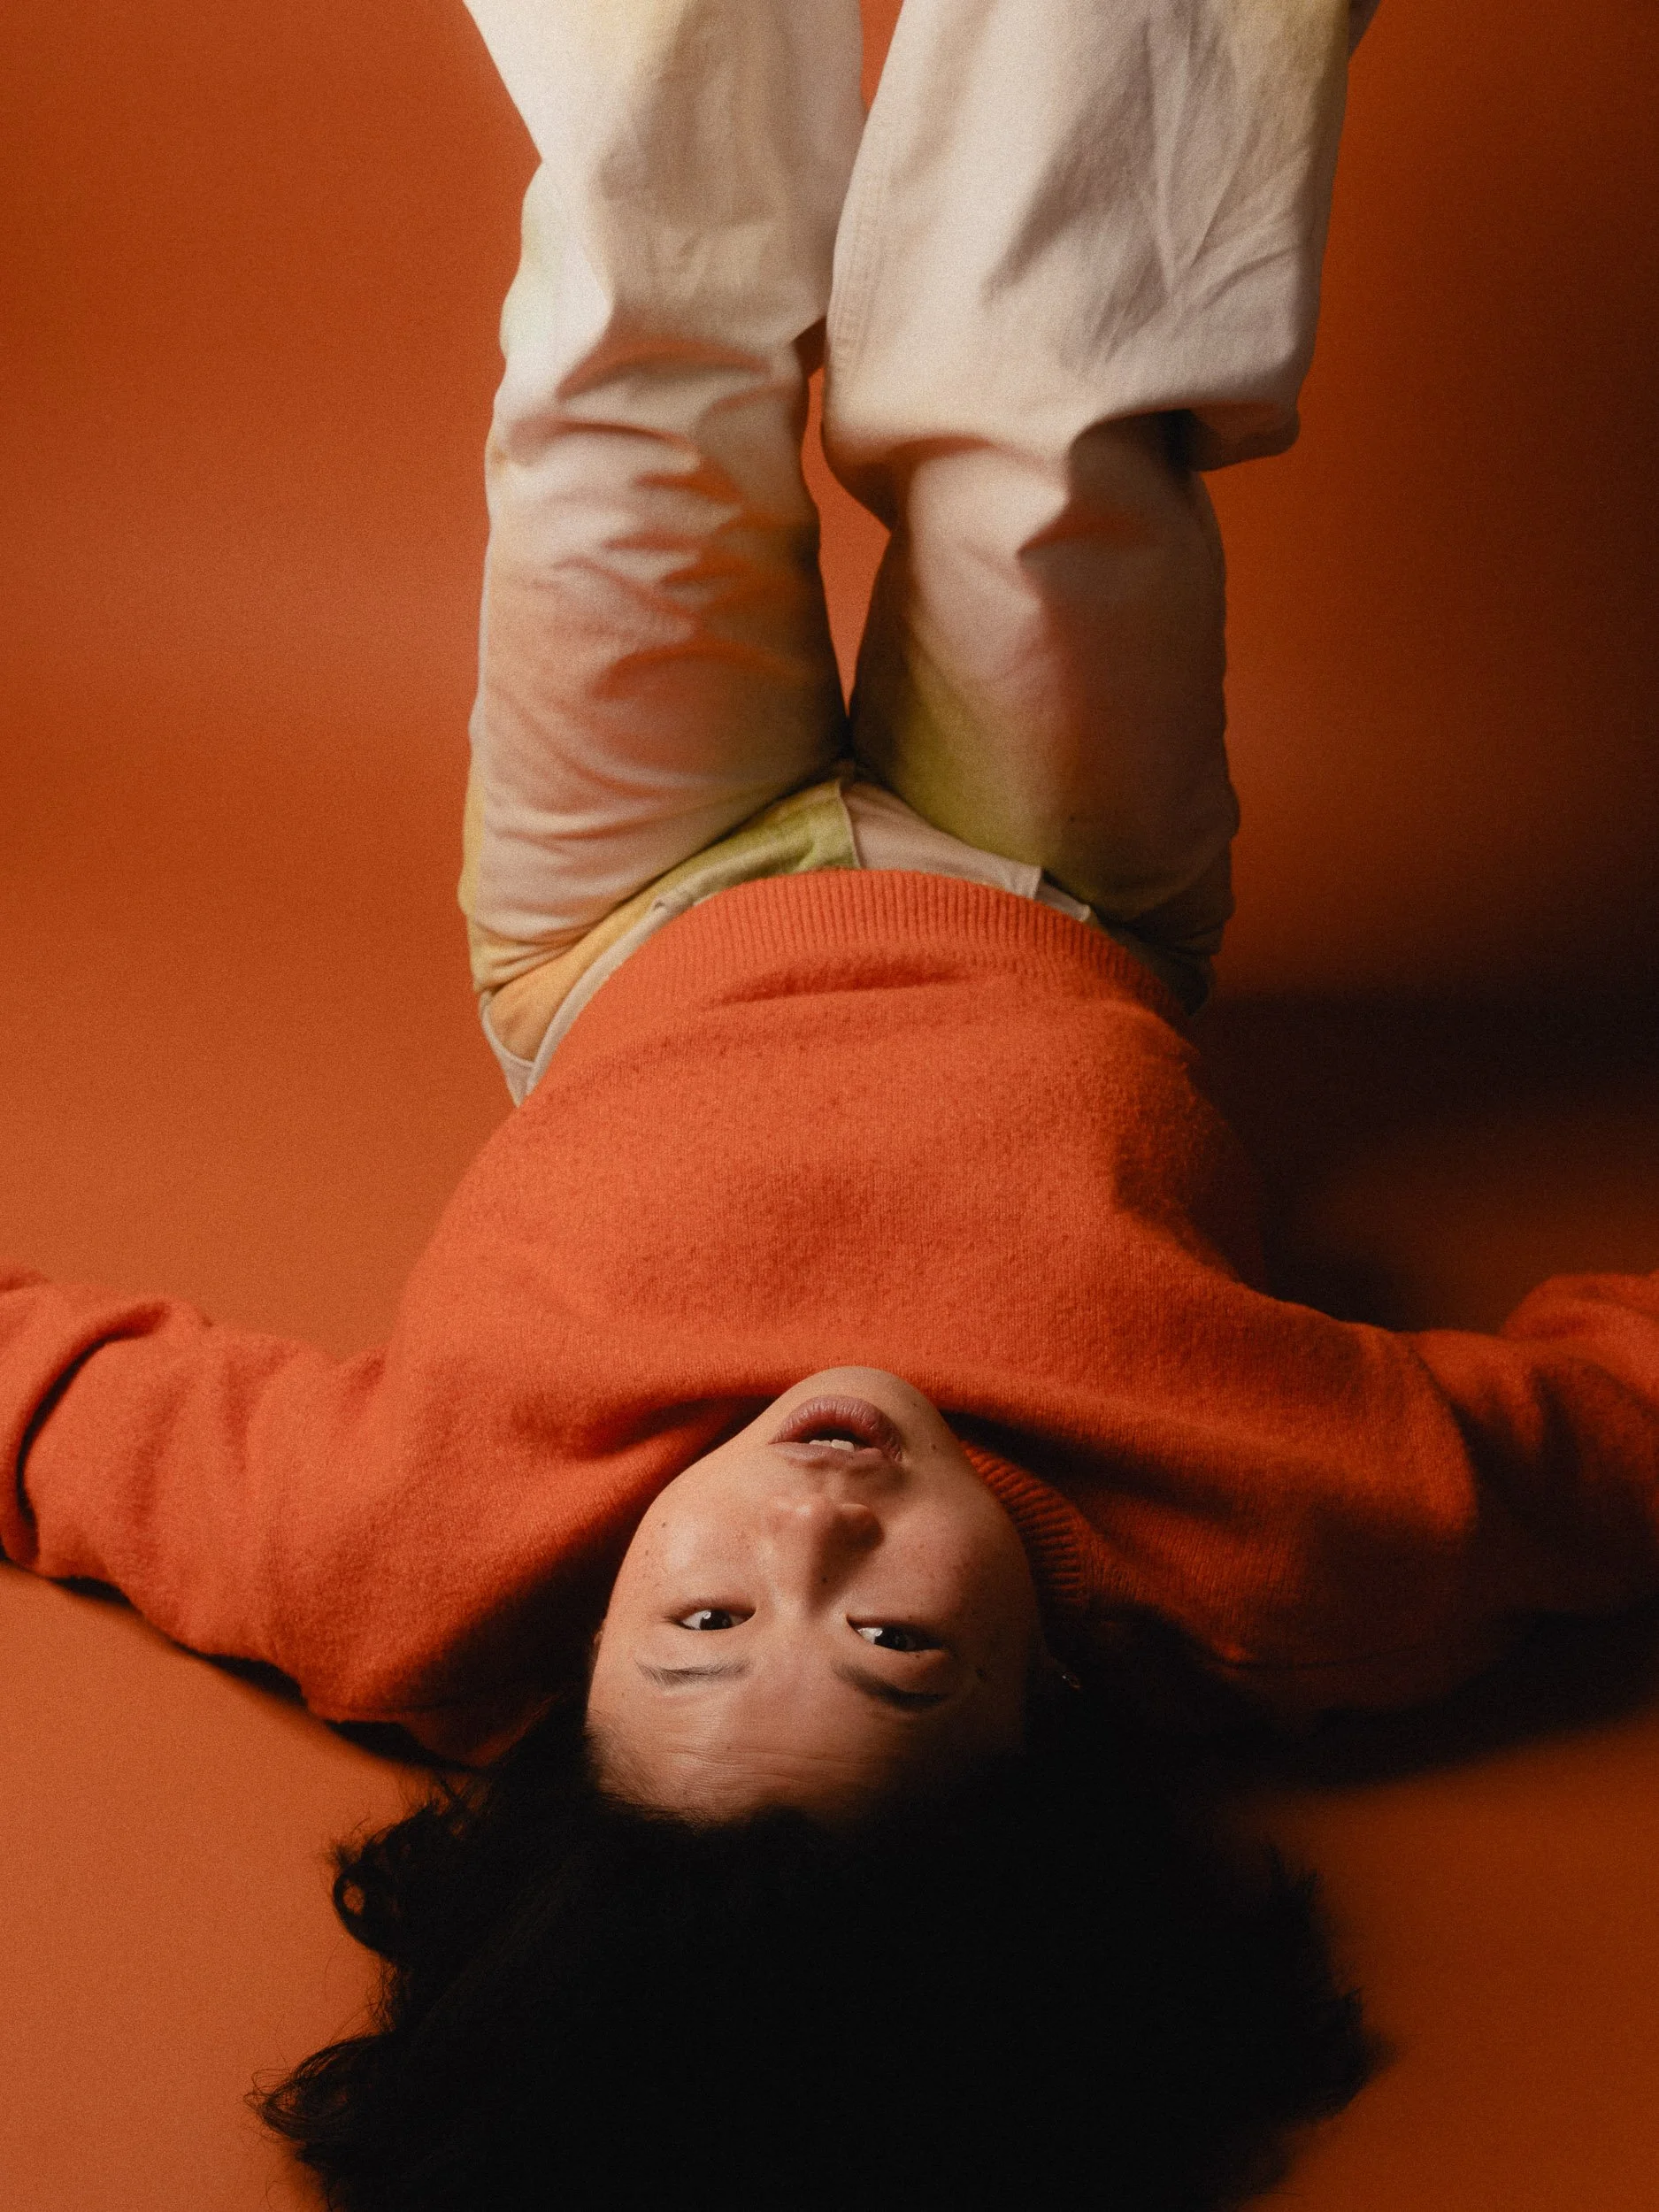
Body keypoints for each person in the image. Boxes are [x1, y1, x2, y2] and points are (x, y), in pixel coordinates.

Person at [3, 0, 1655, 2203]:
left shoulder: (396, 1563)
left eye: (698, 1619)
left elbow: (52, 1409)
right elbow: (1617, 1436)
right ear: (1046, 1715)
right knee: (1047, 418)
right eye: (892, 1640)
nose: (813, 1516)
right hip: (1052, 890)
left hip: (625, 918)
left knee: (623, 347)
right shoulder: (1297, 1556)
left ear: (574, 1670)